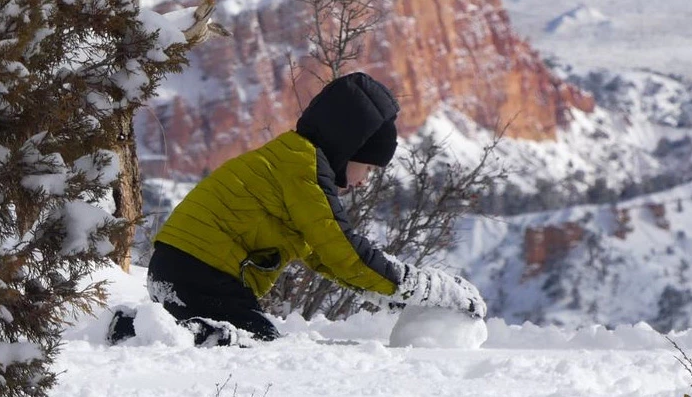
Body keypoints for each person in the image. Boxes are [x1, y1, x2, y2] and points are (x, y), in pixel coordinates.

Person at [108, 72, 486, 346]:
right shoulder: (303, 170)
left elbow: (326, 258)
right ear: (350, 147)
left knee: (253, 337)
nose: (364, 181)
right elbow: (345, 253)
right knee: (255, 344)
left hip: (179, 268)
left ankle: (148, 329)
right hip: (200, 274)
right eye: (368, 167)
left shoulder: (294, 159)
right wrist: (427, 288)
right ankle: (135, 331)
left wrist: (395, 294)